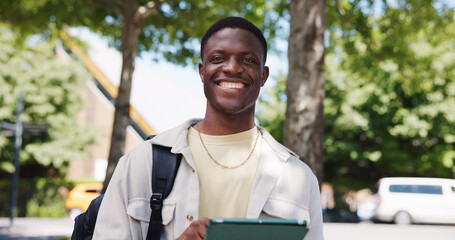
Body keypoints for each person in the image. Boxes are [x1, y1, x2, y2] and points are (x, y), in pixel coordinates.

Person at [93, 16, 324, 240]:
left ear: (263, 76)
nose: (232, 68)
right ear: (202, 71)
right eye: (218, 58)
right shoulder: (143, 162)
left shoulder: (298, 177)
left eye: (248, 60)